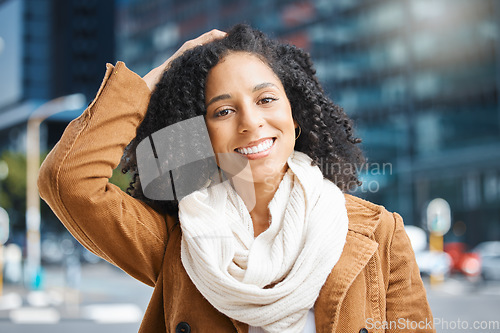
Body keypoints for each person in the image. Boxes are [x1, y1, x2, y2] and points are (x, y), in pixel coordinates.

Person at [38, 24, 435, 332]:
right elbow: (68, 180)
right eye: (223, 111)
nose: (250, 123)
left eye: (266, 100)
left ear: (295, 118)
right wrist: (158, 78)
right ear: (201, 136)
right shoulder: (179, 242)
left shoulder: (380, 235)